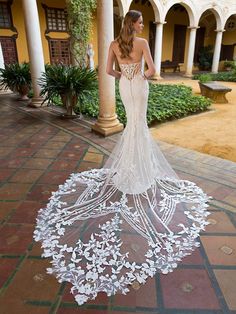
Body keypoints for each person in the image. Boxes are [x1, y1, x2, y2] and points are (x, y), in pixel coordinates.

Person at [34, 10, 210, 306]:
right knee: (138, 126)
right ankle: (140, 171)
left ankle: (133, 169)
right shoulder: (141, 42)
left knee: (132, 125)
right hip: (138, 86)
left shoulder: (116, 43)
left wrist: (125, 74)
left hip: (125, 87)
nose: (143, 25)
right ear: (135, 24)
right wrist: (139, 72)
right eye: (141, 22)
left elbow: (109, 71)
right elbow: (153, 70)